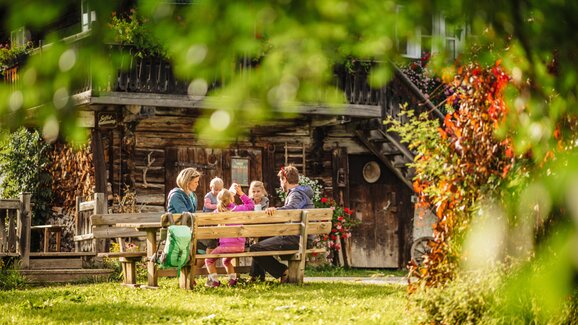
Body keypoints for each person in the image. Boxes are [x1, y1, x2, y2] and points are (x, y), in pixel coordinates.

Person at [249, 165, 314, 283]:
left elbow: (292, 208)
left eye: (280, 180)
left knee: (255, 248)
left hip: (296, 239)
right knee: (260, 239)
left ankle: (282, 271)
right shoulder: (300, 193)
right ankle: (256, 277)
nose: (280, 184)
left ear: (285, 179)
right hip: (297, 236)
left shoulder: (296, 194)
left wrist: (276, 210)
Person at [204, 184, 254, 287]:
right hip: (240, 246)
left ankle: (215, 281)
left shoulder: (218, 211)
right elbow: (251, 205)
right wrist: (241, 194)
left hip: (225, 247)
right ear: (232, 198)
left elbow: (208, 219)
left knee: (208, 260)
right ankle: (232, 280)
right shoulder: (240, 208)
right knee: (226, 261)